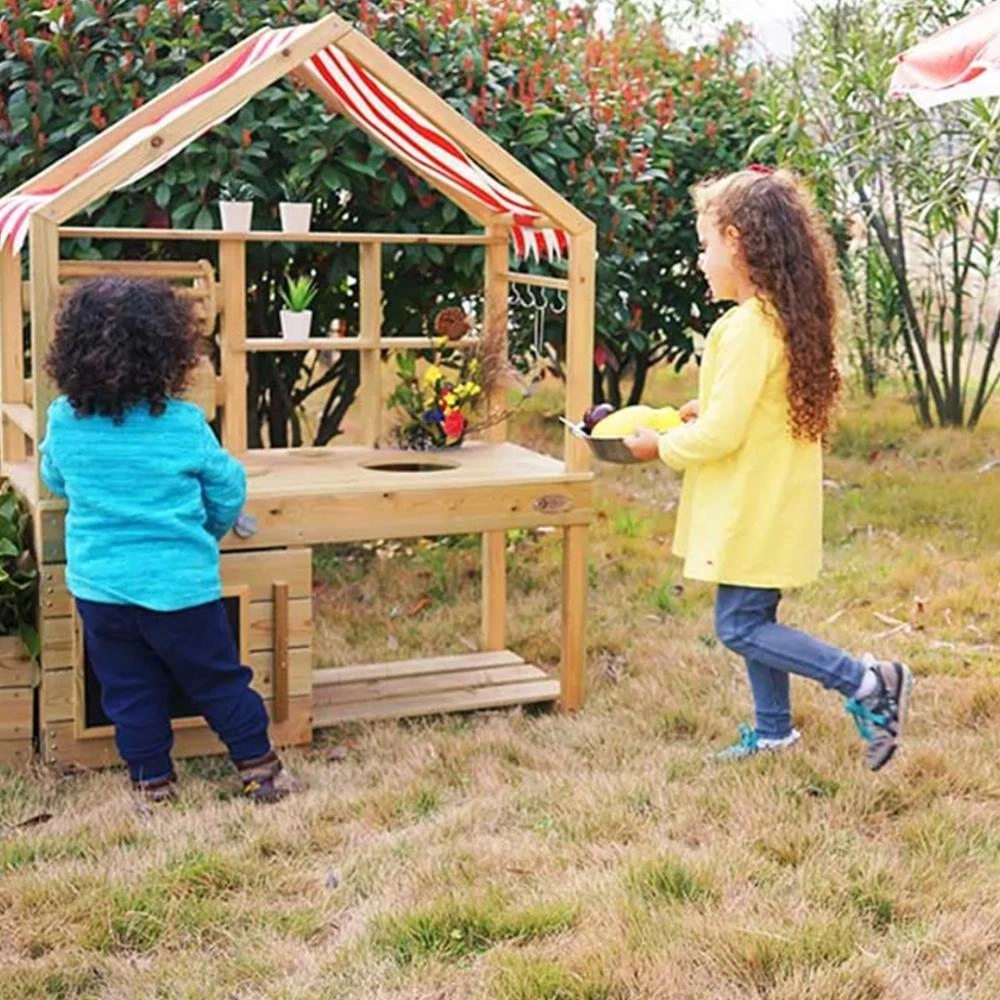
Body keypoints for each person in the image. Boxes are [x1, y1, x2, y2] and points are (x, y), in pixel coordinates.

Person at [624, 167, 913, 770]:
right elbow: (755, 407)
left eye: (704, 246)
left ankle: (866, 681)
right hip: (767, 499)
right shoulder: (774, 318)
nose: (701, 261)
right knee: (754, 615)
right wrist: (705, 406)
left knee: (739, 626)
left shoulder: (748, 328)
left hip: (752, 504)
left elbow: (723, 434)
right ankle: (775, 731)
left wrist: (661, 446)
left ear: (735, 241)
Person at [40, 277, 294, 802]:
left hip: (102, 589)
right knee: (219, 681)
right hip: (181, 587)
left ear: (73, 350)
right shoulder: (182, 424)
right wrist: (208, 529)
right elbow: (228, 487)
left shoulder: (64, 420)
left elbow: (55, 479)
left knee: (128, 691)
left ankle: (152, 783)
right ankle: (261, 769)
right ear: (168, 352)